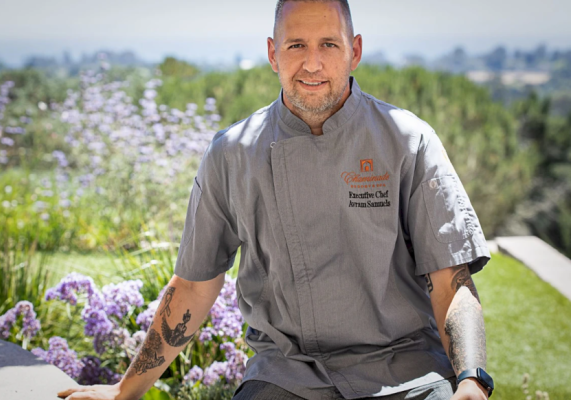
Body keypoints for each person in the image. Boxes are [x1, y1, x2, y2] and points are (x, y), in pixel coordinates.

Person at [58, 1, 494, 399]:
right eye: (295, 45)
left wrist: (472, 379)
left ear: (355, 50)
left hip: (406, 371)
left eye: (328, 44)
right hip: (286, 376)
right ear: (272, 54)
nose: (312, 62)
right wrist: (124, 391)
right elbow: (193, 284)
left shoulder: (408, 140)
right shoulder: (232, 153)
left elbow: (450, 278)